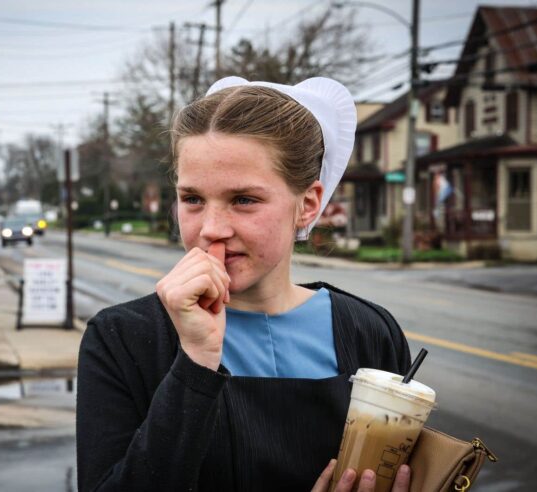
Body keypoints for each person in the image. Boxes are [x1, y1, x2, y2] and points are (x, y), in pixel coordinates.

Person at [77, 76, 412, 492]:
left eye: (244, 200)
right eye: (193, 199)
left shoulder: (370, 332)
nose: (212, 229)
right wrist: (196, 361)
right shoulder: (122, 338)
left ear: (307, 205)